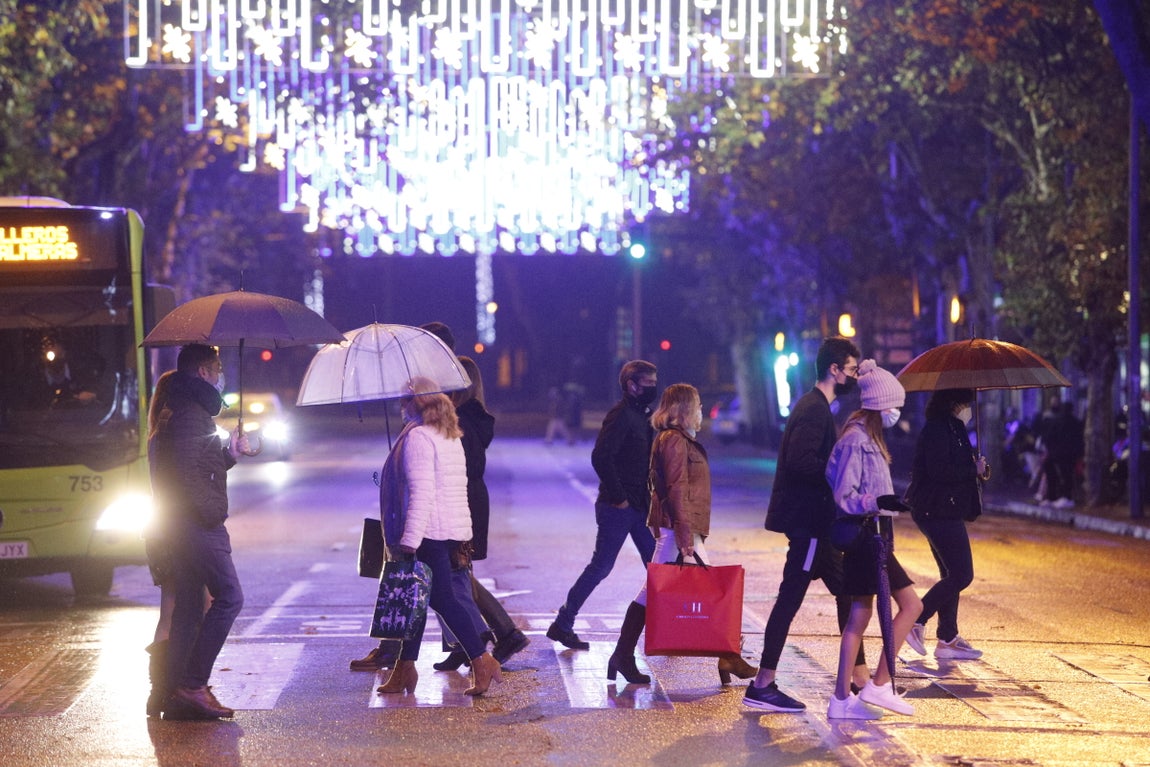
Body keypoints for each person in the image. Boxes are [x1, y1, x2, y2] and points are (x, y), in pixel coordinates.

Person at [744, 336, 867, 712]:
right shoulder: (814, 410)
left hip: (819, 525)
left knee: (848, 591)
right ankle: (763, 683)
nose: (853, 378)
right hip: (809, 526)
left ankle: (860, 678)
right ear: (834, 370)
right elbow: (801, 462)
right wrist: (838, 473)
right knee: (789, 599)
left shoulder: (817, 407)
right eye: (850, 370)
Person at [606, 384, 757, 685]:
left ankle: (624, 655)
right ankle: (727, 656)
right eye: (698, 405)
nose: (702, 410)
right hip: (679, 529)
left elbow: (658, 484)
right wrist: (684, 535)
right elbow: (675, 488)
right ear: (684, 409)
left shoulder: (677, 439)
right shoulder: (674, 440)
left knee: (661, 590)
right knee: (709, 592)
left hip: (679, 527)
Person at [376, 377, 502, 697]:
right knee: (415, 598)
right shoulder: (447, 433)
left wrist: (410, 539)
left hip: (428, 531)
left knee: (439, 597)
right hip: (448, 529)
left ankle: (481, 659)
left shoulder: (418, 437)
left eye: (404, 401)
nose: (400, 407)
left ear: (417, 403)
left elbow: (422, 492)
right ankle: (405, 668)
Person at [150, 344, 249, 720]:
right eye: (218, 369)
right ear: (205, 371)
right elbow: (191, 480)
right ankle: (192, 685)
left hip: (182, 523)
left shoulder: (181, 408)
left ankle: (172, 691)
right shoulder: (192, 413)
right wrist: (212, 515)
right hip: (196, 524)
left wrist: (230, 456)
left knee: (190, 608)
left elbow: (197, 466)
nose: (220, 377)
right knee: (230, 598)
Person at [825, 360, 922, 719]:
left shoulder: (869, 437)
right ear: (878, 405)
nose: (896, 413)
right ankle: (878, 686)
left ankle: (842, 699)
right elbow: (844, 493)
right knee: (909, 606)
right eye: (892, 406)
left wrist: (891, 501)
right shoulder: (855, 439)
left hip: (876, 535)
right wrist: (875, 502)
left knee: (860, 616)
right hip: (866, 537)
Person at [546, 360, 659, 650]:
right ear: (631, 385)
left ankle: (666, 629)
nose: (653, 389)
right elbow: (601, 457)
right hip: (618, 507)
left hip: (639, 506)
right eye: (647, 384)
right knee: (601, 567)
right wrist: (619, 497)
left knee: (658, 568)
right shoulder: (621, 416)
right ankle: (563, 622)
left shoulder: (643, 416)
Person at [433, 356, 530, 671]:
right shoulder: (467, 417)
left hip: (465, 500)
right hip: (467, 497)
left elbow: (469, 465)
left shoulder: (465, 420)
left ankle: (498, 633)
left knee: (453, 574)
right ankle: (477, 638)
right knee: (457, 574)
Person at [904, 388, 987, 661]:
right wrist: (969, 470)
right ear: (954, 403)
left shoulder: (954, 427)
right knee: (962, 574)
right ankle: (915, 619)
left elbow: (958, 467)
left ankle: (948, 638)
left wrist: (978, 470)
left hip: (945, 508)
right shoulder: (938, 429)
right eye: (966, 402)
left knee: (951, 574)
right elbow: (941, 471)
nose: (969, 408)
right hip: (936, 509)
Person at [144, 369, 178, 717]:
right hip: (172, 528)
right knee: (195, 605)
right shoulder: (170, 433)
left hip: (158, 526)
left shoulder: (156, 433)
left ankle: (162, 688)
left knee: (172, 605)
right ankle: (172, 686)